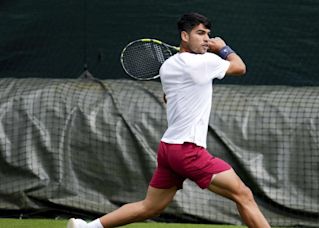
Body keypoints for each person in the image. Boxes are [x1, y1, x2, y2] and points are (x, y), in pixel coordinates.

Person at [67, 12, 271, 228]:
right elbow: (240, 67)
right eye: (200, 34)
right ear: (184, 35)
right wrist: (222, 47)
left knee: (150, 207)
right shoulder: (202, 63)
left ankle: (87, 227)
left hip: (169, 149)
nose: (206, 39)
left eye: (208, 35)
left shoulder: (168, 66)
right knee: (243, 194)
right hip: (188, 150)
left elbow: (169, 98)